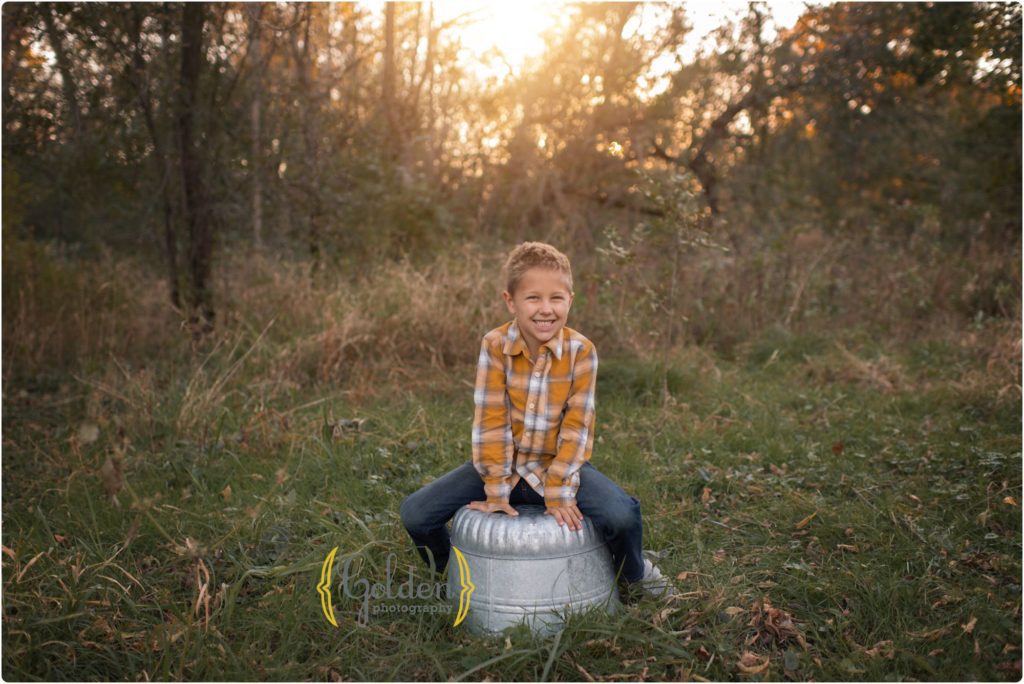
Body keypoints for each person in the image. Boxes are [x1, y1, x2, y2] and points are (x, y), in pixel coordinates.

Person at [399, 241, 673, 600]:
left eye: (556, 298)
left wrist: (559, 490)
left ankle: (633, 573)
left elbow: (578, 426)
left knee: (621, 515)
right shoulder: (495, 345)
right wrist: (496, 488)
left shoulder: (581, 352)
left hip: (556, 466)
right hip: (500, 466)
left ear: (570, 300)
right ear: (510, 301)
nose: (546, 310)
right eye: (533, 299)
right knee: (416, 513)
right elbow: (490, 420)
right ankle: (456, 572)